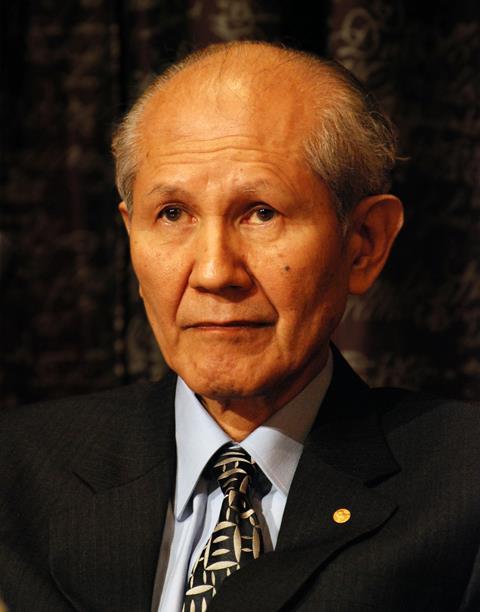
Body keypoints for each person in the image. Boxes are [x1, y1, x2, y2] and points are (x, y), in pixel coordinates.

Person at [0, 41, 479, 612]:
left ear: (364, 244)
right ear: (131, 237)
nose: (212, 272)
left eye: (261, 212)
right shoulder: (19, 473)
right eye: (172, 213)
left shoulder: (463, 487)